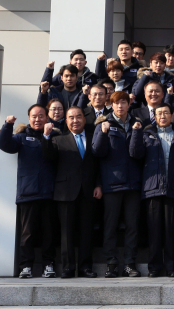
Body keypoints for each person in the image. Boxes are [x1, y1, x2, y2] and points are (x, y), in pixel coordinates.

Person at [0, 106, 58, 279]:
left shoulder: (54, 136)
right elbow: (5, 145)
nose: (37, 119)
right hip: (28, 192)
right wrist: (8, 124)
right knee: (28, 233)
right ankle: (26, 267)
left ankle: (49, 264)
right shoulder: (22, 137)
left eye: (41, 116)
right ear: (29, 118)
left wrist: (47, 136)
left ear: (47, 118)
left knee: (49, 232)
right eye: (34, 116)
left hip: (49, 192)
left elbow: (53, 157)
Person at [132, 103, 174, 277]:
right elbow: (135, 154)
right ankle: (155, 267)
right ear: (154, 117)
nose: (163, 116)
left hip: (173, 188)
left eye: (166, 113)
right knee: (154, 232)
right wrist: (135, 133)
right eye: (159, 113)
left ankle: (172, 268)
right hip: (153, 189)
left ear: (172, 115)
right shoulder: (147, 133)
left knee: (171, 230)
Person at [41, 106, 100, 278]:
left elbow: (99, 165)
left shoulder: (93, 138)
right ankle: (68, 268)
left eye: (78, 117)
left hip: (89, 191)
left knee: (86, 230)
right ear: (66, 121)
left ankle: (85, 267)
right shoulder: (58, 139)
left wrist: (99, 184)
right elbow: (48, 156)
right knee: (66, 232)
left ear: (84, 118)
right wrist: (46, 136)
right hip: (65, 192)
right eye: (71, 118)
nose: (75, 120)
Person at [92, 91, 144, 278]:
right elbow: (97, 152)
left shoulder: (137, 123)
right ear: (111, 105)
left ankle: (130, 263)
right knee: (110, 226)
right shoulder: (103, 124)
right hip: (112, 184)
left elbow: (137, 154)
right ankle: (111, 263)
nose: (120, 106)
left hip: (133, 184)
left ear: (128, 104)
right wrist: (103, 133)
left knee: (132, 226)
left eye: (123, 102)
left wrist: (137, 132)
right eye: (116, 103)